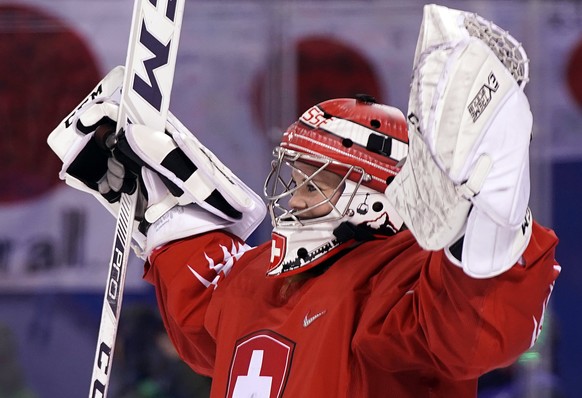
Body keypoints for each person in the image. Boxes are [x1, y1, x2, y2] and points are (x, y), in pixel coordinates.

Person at [47, 4, 560, 397]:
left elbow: (472, 330)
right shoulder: (258, 280)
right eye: (291, 173)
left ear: (371, 194)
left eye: (314, 180)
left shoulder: (396, 280)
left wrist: (480, 229)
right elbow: (203, 314)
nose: (291, 194)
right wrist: (163, 215)